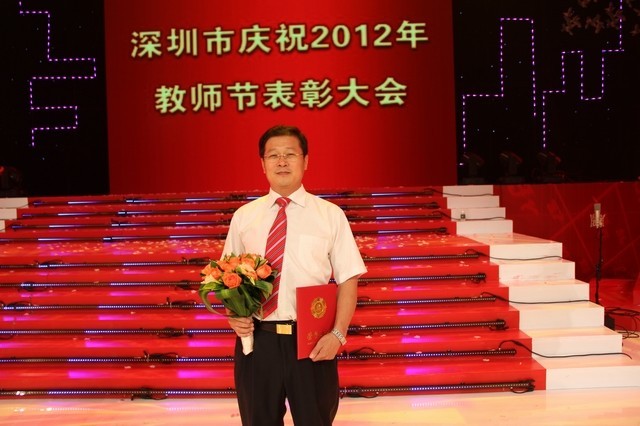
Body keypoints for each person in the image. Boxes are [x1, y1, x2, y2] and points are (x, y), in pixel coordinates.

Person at [222, 124, 367, 426]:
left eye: (290, 154)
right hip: (258, 341)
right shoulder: (244, 217)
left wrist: (338, 335)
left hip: (312, 340)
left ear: (306, 161)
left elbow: (349, 278)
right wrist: (233, 315)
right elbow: (227, 277)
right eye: (273, 155)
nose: (282, 161)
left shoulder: (330, 215)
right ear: (262, 164)